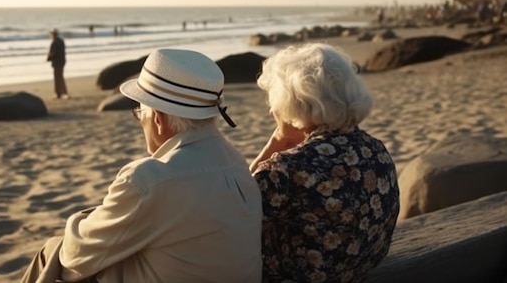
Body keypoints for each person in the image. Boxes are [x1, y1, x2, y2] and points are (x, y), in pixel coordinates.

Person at [21, 48, 262, 283]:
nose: (140, 121)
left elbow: (76, 257)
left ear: (158, 119)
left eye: (139, 113)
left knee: (52, 251)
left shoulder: (150, 179)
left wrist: (79, 218)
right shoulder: (235, 161)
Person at [250, 43, 400, 283]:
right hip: (361, 265)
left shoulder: (285, 168)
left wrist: (276, 144)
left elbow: (233, 216)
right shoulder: (375, 148)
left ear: (293, 103)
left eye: (274, 100)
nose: (271, 111)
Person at [46, 28, 69, 99]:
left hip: (57, 62)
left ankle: (58, 93)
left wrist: (49, 58)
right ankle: (63, 92)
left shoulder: (55, 42)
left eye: (51, 34)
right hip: (62, 61)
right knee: (60, 77)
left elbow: (54, 53)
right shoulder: (60, 41)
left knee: (57, 78)